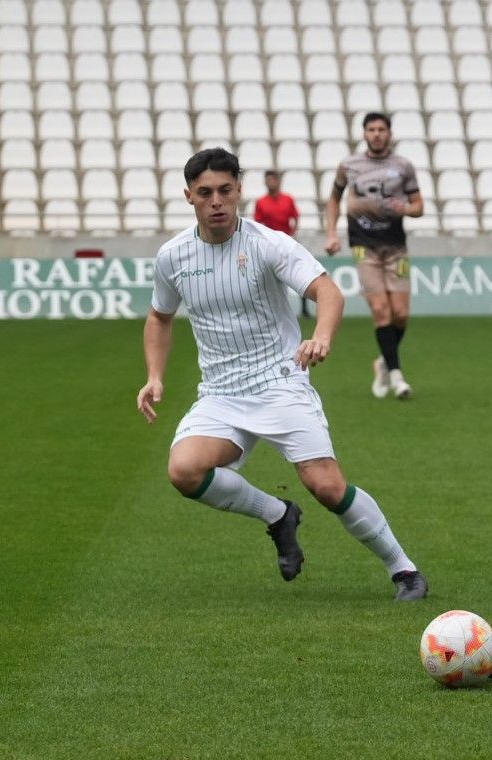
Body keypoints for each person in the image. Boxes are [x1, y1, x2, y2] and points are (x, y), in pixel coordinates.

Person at [136, 148, 428, 601]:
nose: (217, 201)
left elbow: (327, 291)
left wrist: (322, 337)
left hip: (280, 381)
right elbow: (159, 317)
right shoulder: (173, 256)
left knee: (327, 487)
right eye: (206, 193)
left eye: (226, 191)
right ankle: (277, 514)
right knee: (184, 470)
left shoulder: (267, 243)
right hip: (220, 393)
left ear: (240, 191)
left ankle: (403, 569)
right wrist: (154, 376)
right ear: (189, 197)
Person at [323, 112, 423, 400]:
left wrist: (404, 208)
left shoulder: (403, 166)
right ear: (364, 133)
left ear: (389, 134)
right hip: (363, 247)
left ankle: (383, 360)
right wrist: (331, 233)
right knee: (381, 310)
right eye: (371, 129)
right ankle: (397, 376)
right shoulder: (349, 165)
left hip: (396, 248)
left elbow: (419, 206)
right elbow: (333, 198)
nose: (377, 134)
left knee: (400, 315)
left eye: (381, 129)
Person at [252, 170, 299, 236]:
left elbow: (296, 217)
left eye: (273, 179)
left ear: (278, 181)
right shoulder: (260, 202)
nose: (271, 182)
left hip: (286, 238)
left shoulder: (288, 199)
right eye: (268, 180)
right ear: (265, 182)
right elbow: (257, 223)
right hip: (269, 239)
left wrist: (292, 234)